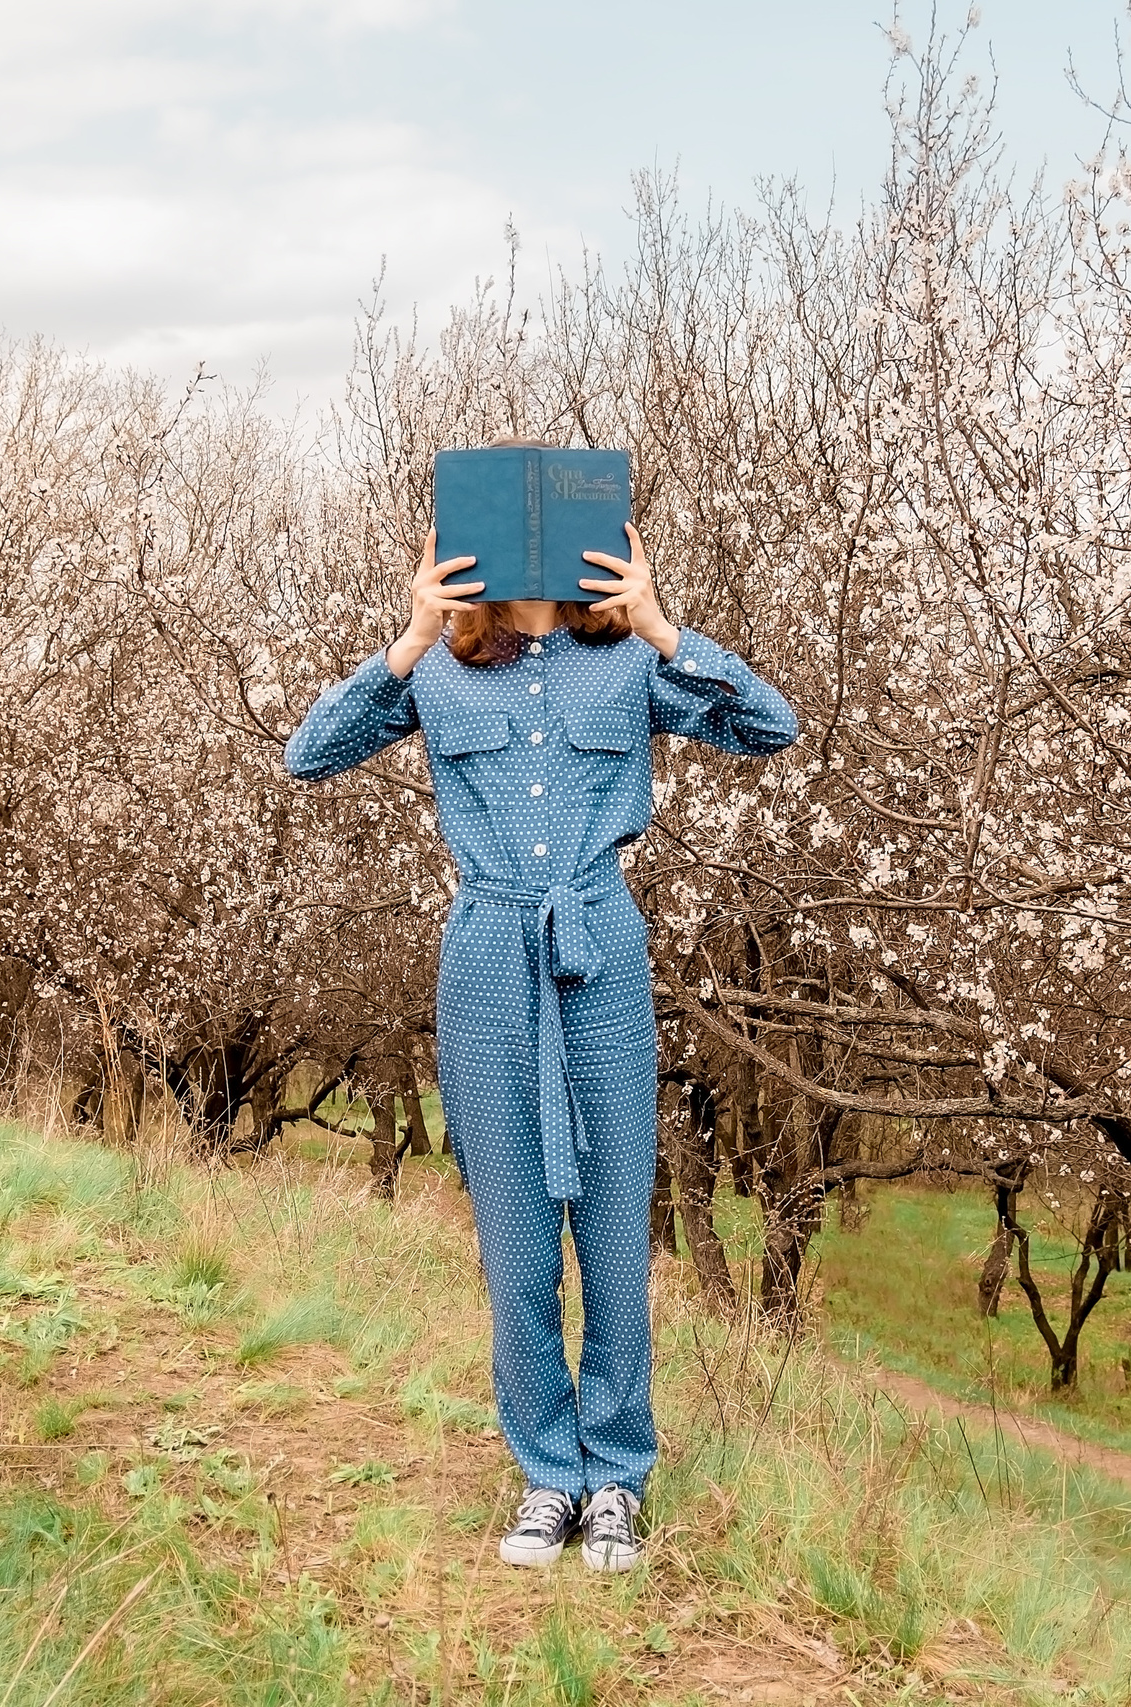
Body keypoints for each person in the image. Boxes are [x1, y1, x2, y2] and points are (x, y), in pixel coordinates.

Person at [283, 516, 799, 1571]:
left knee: (613, 1227)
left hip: (600, 943)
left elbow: (772, 727)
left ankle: (614, 1475)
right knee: (516, 1234)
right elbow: (308, 754)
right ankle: (546, 1474)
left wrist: (662, 627)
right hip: (485, 951)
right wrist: (411, 635)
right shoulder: (440, 672)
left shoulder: (624, 666)